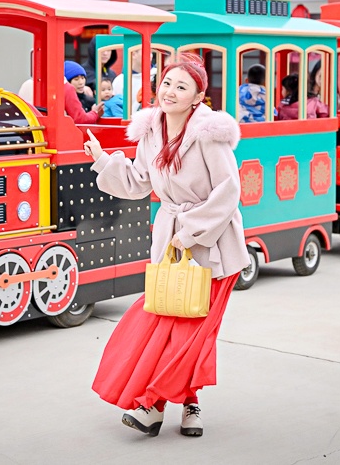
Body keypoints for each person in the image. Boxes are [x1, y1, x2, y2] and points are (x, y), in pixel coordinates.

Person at [82, 53, 247, 438]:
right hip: (171, 245)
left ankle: (161, 405)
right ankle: (181, 405)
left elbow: (229, 190)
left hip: (214, 248)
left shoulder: (209, 133)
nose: (170, 91)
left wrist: (189, 230)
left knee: (192, 334)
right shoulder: (151, 130)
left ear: (197, 97)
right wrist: (104, 160)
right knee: (162, 327)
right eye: (166, 82)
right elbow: (139, 181)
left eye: (181, 86)